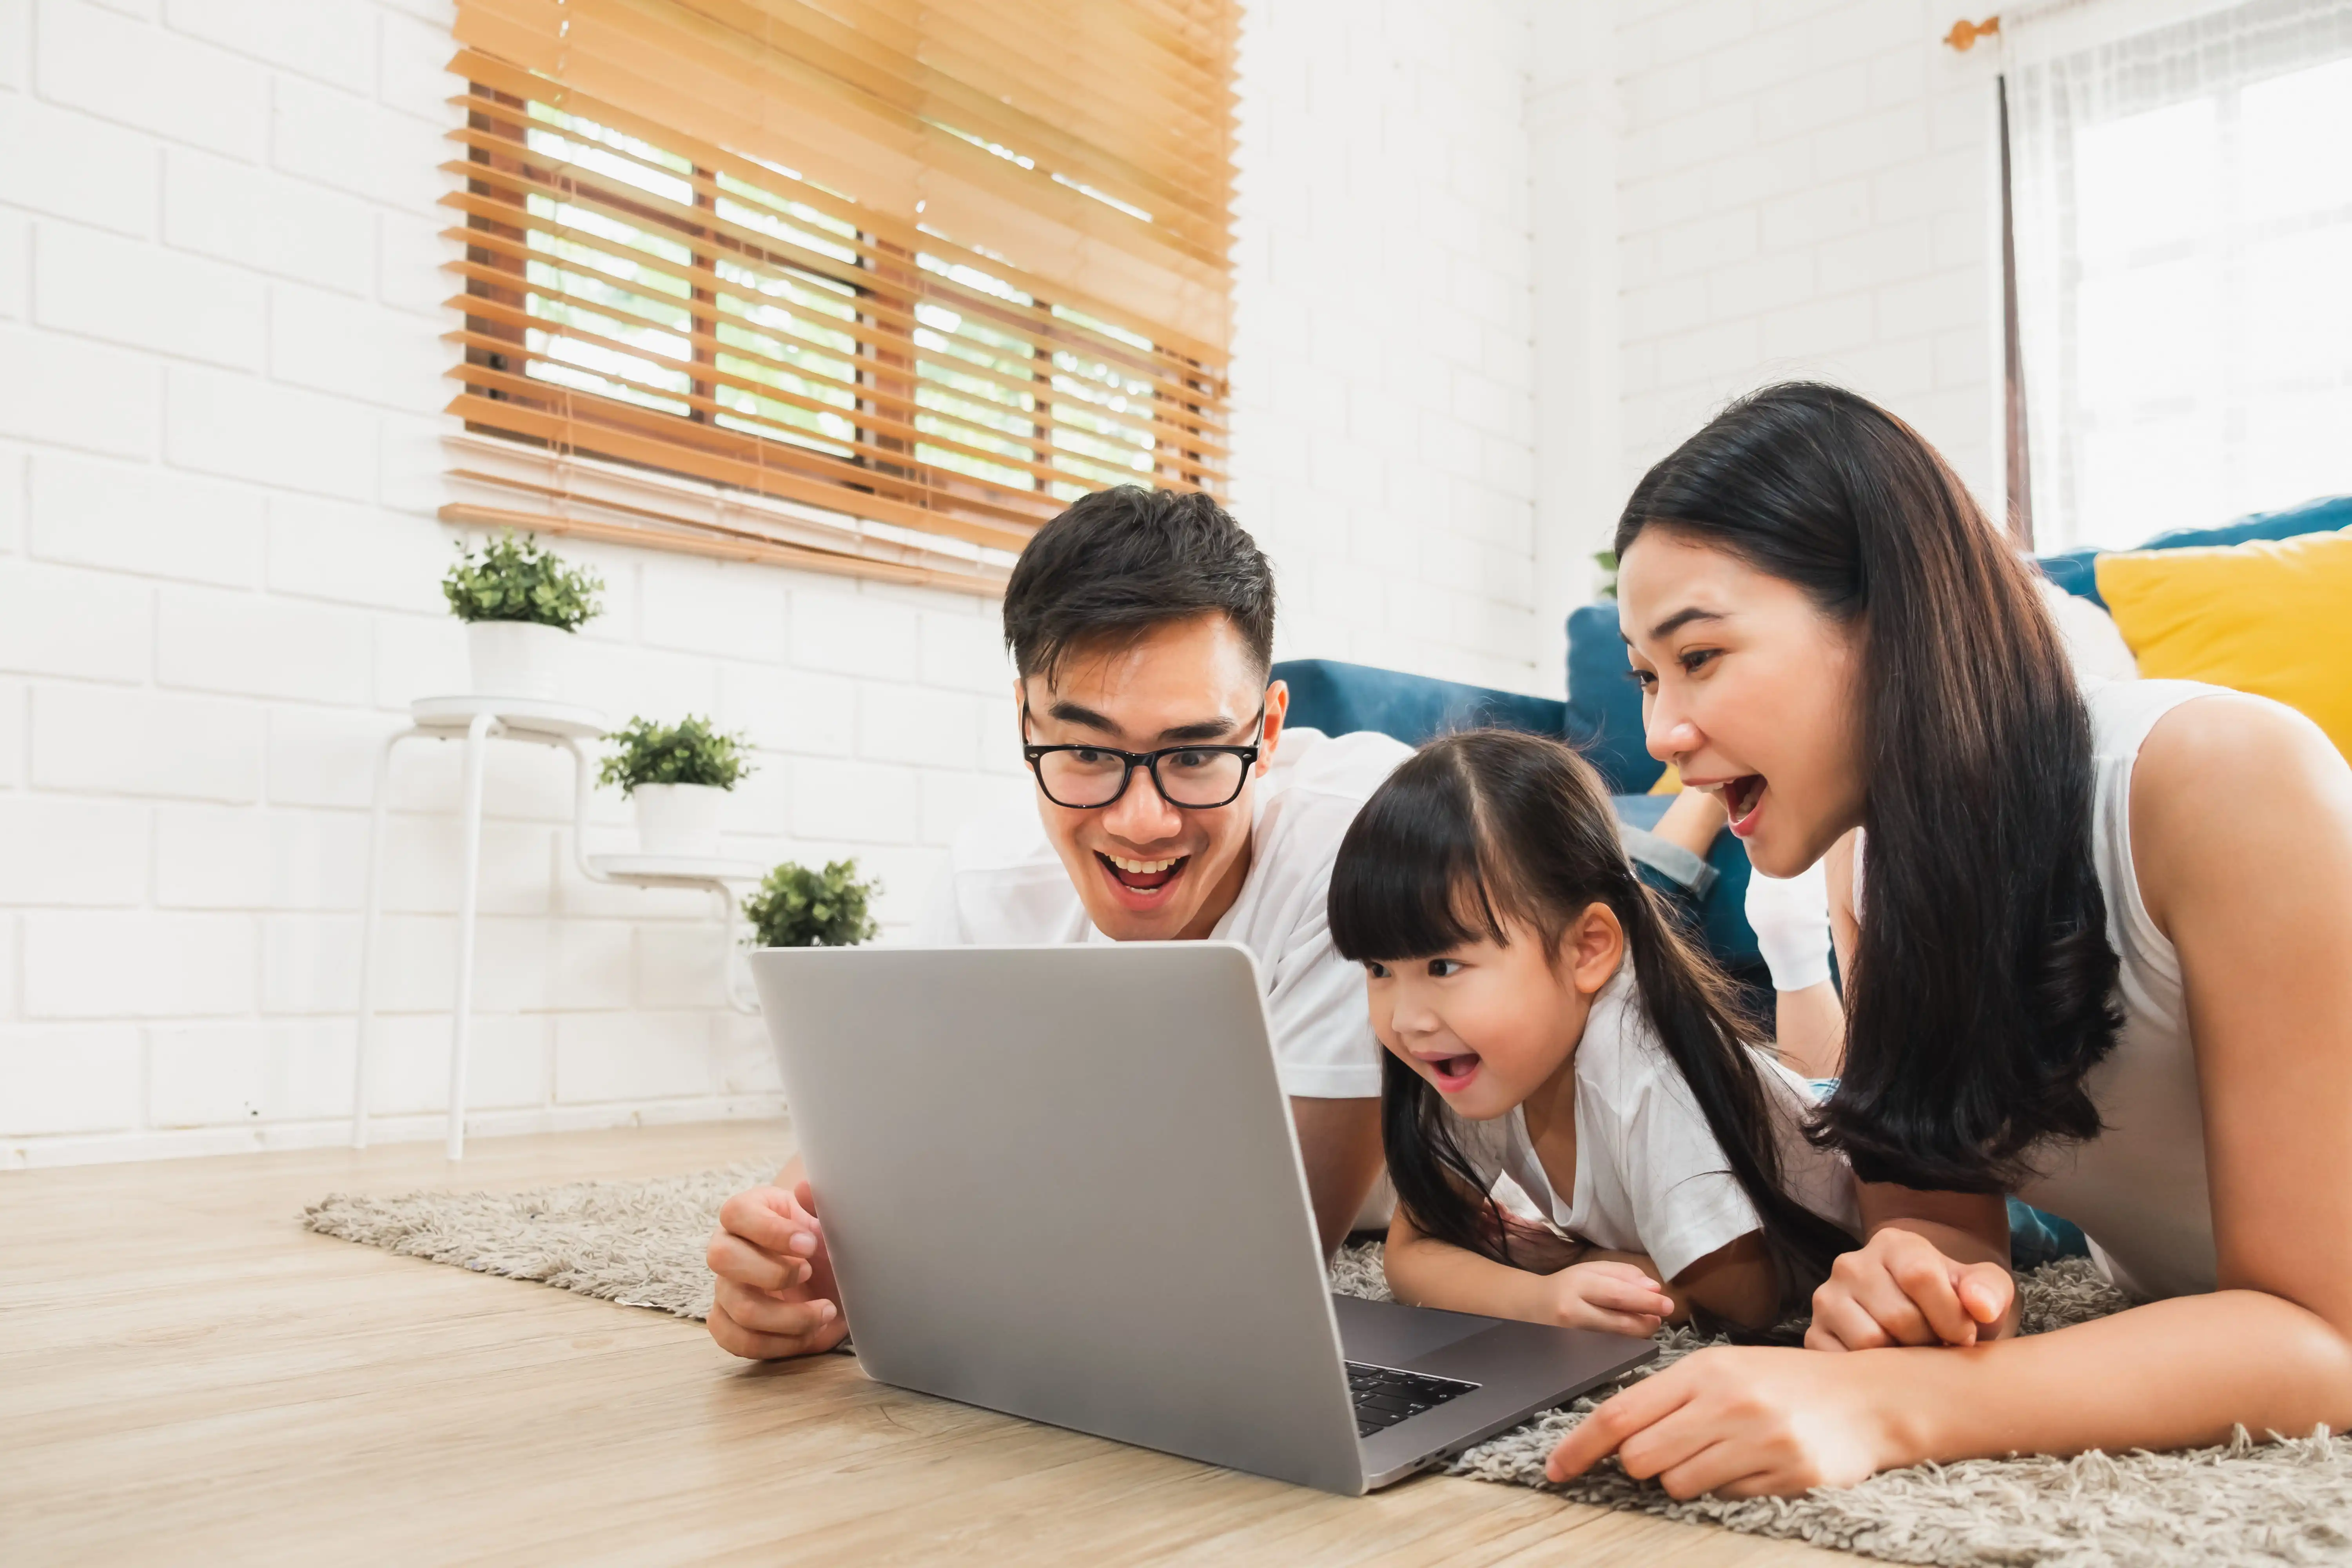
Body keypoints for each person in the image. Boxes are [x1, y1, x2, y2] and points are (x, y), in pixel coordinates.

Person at [1544, 382, 2352, 1497]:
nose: (1663, 736)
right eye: (1646, 676)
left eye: (1701, 657)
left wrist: (1892, 1405)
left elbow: (2326, 1337)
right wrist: (1914, 1279)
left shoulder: (2220, 778)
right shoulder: (1870, 864)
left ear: (1889, 620)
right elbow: (1939, 1216)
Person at [703, 486, 1409, 1361]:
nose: (1141, 820)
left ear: (1266, 733)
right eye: (1085, 752)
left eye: (1193, 755)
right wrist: (792, 1255)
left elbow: (1262, 1259)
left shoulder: (1367, 842)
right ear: (1024, 723)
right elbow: (881, 1146)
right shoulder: (990, 877)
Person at [1326, 730, 1859, 1340]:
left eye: (1443, 967)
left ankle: (1795, 945)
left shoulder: (1640, 1070)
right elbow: (1411, 1255)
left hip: (1855, 1145)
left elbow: (1745, 1300)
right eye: (1378, 970)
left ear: (1588, 949)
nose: (1406, 1019)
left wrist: (1570, 1259)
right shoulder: (1470, 1054)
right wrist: (1541, 1298)